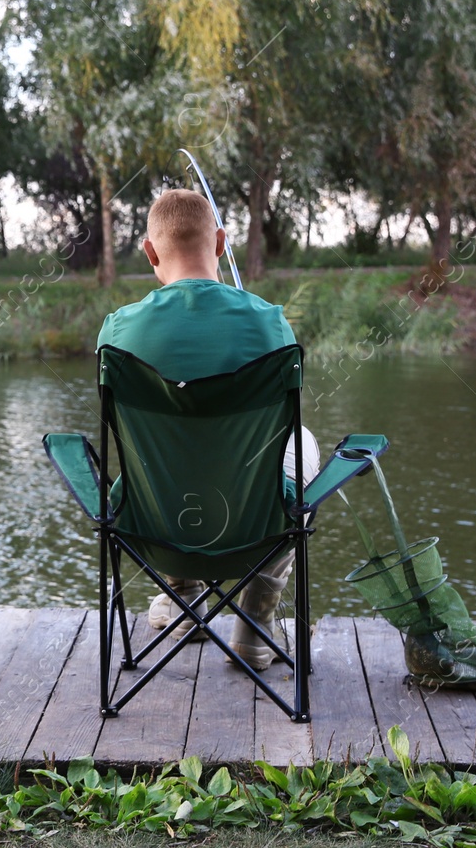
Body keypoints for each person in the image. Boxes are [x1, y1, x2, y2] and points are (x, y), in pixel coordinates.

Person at [96, 188, 321, 670]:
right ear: (220, 243)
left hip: (157, 526)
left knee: (151, 457)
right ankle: (255, 624)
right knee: (302, 442)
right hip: (252, 528)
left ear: (150, 252)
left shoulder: (116, 333)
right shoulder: (272, 325)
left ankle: (182, 598)